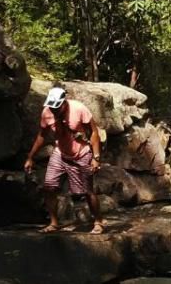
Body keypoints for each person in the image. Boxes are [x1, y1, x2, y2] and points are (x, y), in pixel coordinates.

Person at [23, 87, 105, 233]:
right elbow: (42, 135)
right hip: (60, 153)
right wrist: (30, 157)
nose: (54, 110)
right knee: (49, 187)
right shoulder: (47, 113)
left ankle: (98, 221)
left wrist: (96, 157)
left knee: (87, 191)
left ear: (64, 102)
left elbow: (94, 132)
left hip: (82, 154)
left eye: (57, 107)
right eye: (52, 107)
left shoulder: (79, 109)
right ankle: (54, 223)